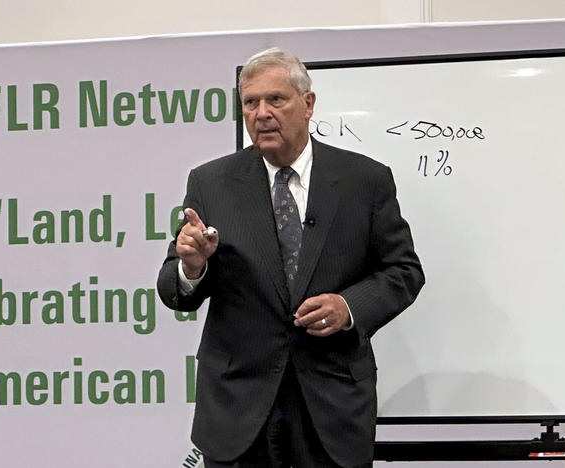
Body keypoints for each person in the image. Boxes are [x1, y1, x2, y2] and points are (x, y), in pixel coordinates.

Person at [157, 47, 424, 468]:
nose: (261, 113)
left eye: (275, 99)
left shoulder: (364, 180)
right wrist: (193, 266)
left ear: (308, 104)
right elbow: (176, 290)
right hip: (238, 412)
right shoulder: (211, 183)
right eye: (250, 102)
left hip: (330, 412)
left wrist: (349, 306)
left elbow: (404, 271)